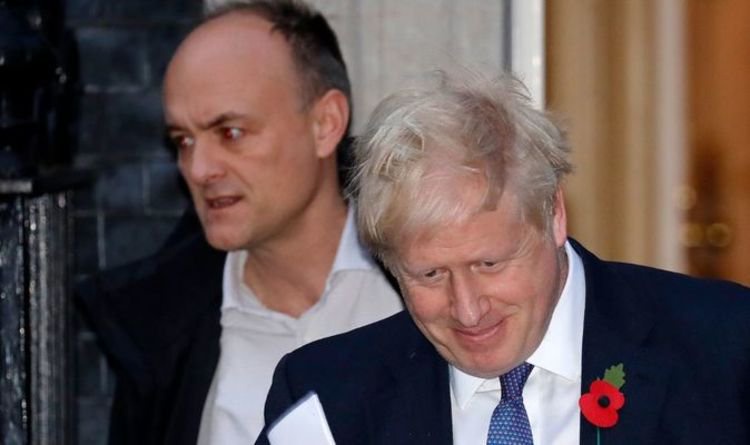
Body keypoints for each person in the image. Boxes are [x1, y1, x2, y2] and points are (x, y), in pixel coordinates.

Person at [257, 69, 750, 444]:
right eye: (430, 274)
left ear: (553, 213)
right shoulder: (329, 402)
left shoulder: (727, 350)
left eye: (489, 264)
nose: (468, 309)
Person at [76, 1, 402, 444]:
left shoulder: (435, 288)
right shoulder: (159, 334)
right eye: (183, 141)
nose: (198, 168)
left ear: (325, 124)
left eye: (230, 133)